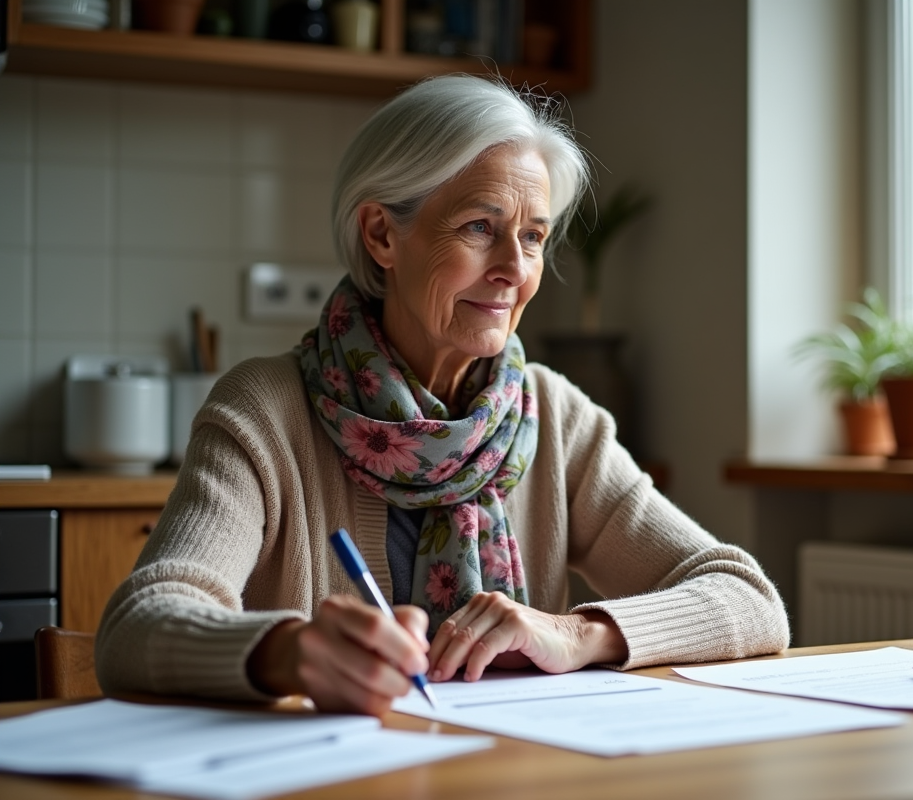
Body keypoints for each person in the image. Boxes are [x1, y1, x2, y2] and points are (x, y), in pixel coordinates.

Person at [96, 74, 789, 717]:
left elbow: (751, 599)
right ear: (381, 235)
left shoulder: (554, 415)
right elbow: (138, 623)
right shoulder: (266, 411)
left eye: (534, 237)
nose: (514, 270)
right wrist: (290, 654)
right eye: (480, 228)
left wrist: (578, 633)